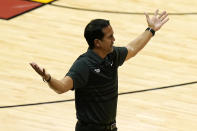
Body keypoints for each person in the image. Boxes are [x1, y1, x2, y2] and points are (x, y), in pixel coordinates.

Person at [30, 9, 169, 131]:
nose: (114, 39)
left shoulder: (112, 55)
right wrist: (48, 78)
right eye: (110, 37)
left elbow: (132, 49)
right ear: (97, 42)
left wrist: (151, 30)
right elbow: (62, 87)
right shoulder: (84, 64)